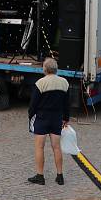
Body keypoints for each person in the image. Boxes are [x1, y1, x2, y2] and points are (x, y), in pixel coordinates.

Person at [27, 58, 69, 186]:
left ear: (45, 69)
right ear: (56, 69)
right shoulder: (64, 83)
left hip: (42, 118)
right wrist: (66, 118)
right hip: (56, 118)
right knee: (56, 148)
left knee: (40, 147)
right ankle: (60, 176)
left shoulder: (40, 83)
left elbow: (33, 104)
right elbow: (66, 104)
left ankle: (40, 176)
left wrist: (31, 115)